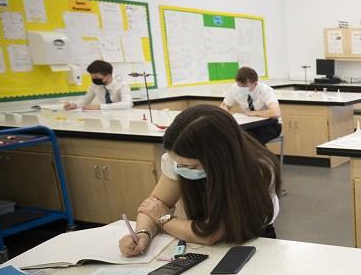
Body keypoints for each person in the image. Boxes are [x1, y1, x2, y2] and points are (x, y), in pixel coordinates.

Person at [118, 104, 282, 255]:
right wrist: (143, 232)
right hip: (204, 243)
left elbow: (211, 234)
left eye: (191, 166)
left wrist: (163, 218)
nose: (181, 169)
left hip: (255, 242)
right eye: (178, 164)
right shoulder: (180, 159)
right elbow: (154, 204)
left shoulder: (259, 170)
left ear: (218, 158)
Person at [220, 67, 282, 144]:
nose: (241, 88)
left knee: (251, 141)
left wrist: (255, 113)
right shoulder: (235, 88)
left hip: (269, 124)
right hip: (247, 124)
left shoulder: (265, 90)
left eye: (244, 86)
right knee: (233, 136)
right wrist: (226, 111)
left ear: (255, 83)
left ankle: (256, 155)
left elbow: (276, 113)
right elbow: (224, 106)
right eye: (239, 85)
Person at [62, 60, 133, 110]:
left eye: (97, 77)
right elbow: (85, 101)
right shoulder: (95, 85)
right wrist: (75, 105)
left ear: (108, 76)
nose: (94, 80)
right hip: (106, 117)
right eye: (92, 77)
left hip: (122, 118)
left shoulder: (122, 84)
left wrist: (99, 107)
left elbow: (127, 104)